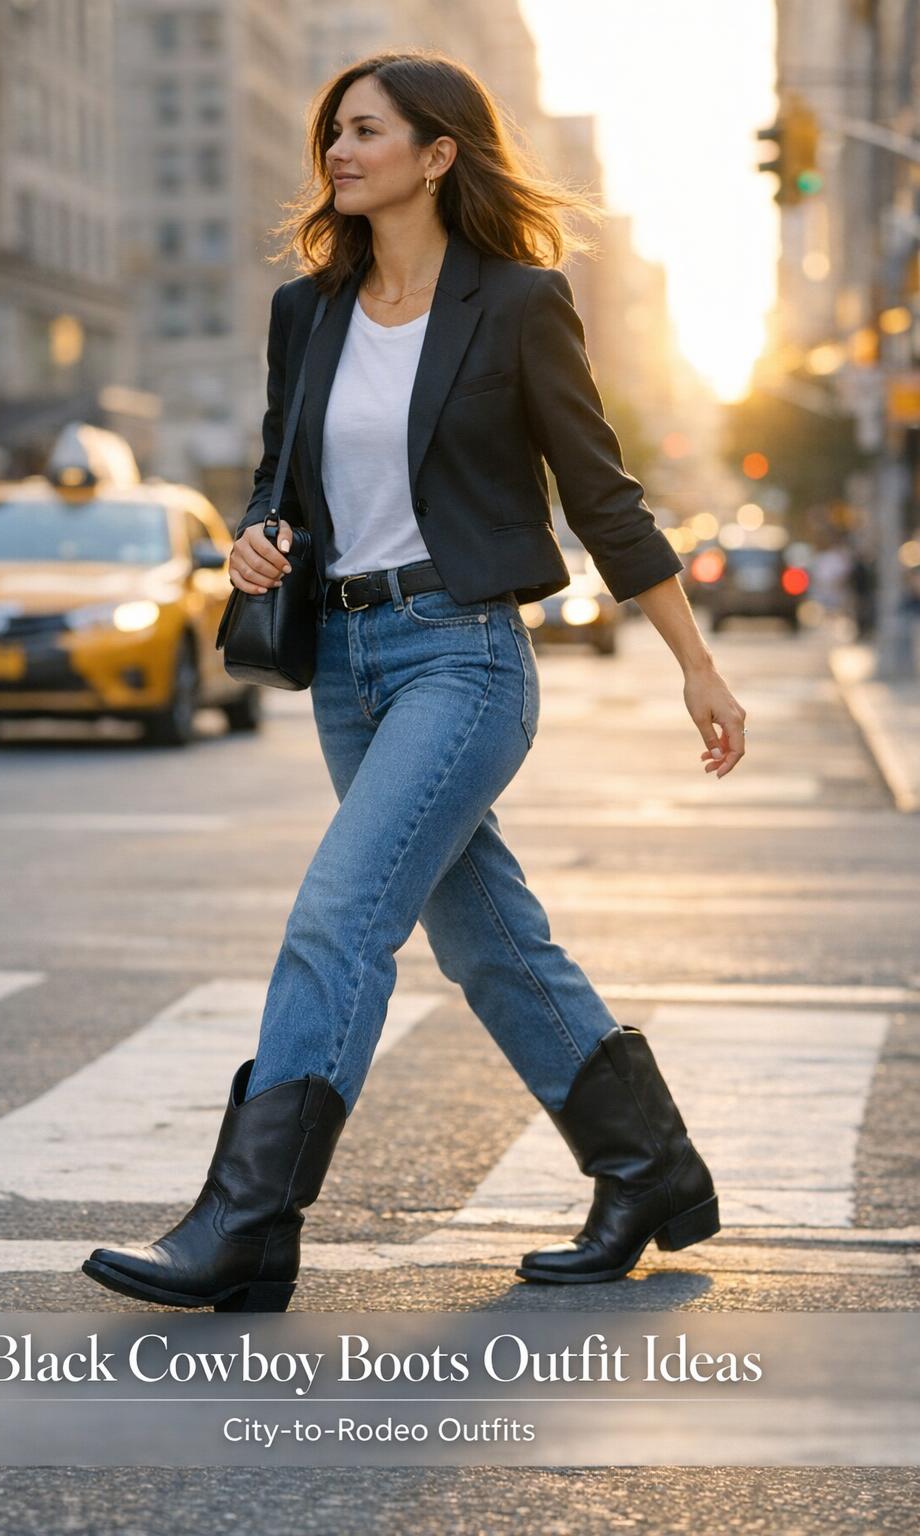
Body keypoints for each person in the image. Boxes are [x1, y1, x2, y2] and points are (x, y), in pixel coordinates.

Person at [83, 49, 746, 1313]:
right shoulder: (308, 309)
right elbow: (284, 479)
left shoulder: (516, 301)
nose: (336, 150)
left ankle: (248, 1222)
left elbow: (599, 496)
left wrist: (695, 665)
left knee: (341, 916)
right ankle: (648, 1168)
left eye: (366, 132)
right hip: (345, 660)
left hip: (463, 656)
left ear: (438, 155)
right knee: (486, 936)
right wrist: (257, 532)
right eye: (332, 132)